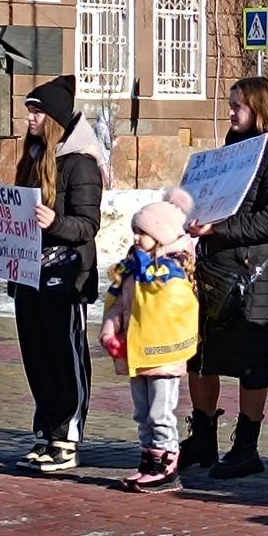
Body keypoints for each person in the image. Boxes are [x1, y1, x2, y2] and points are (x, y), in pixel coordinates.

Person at [186, 76, 268, 479]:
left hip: (255, 272)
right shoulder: (234, 148)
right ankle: (202, 437)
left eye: (239, 105)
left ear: (260, 108)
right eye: (232, 104)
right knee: (200, 357)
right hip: (214, 267)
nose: (231, 111)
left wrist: (219, 229)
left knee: (252, 359)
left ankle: (246, 447)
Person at [12, 75, 106, 474]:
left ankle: (67, 435)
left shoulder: (80, 164)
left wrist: (54, 222)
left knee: (65, 354)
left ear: (52, 118)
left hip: (67, 276)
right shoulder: (33, 158)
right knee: (37, 354)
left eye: (36, 111)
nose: (30, 117)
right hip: (29, 273)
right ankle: (46, 430)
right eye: (29, 109)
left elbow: (87, 225)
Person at [101, 189, 201, 493]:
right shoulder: (133, 268)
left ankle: (166, 465)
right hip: (137, 352)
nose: (135, 238)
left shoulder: (172, 273)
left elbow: (173, 311)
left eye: (142, 233)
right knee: (142, 412)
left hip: (163, 358)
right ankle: (148, 460)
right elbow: (120, 303)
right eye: (134, 231)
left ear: (161, 235)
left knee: (160, 413)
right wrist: (111, 328)